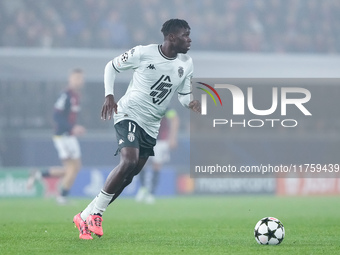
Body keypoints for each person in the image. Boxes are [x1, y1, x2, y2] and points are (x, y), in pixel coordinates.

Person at [73, 18, 200, 240]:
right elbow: (110, 67)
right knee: (129, 162)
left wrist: (191, 103)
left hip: (152, 125)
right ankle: (97, 215)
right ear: (171, 37)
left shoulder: (186, 64)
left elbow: (183, 96)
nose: (189, 39)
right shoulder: (143, 53)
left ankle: (84, 215)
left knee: (129, 175)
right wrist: (109, 95)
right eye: (185, 35)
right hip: (129, 113)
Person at [27, 69, 86, 205]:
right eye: (76, 78)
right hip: (63, 136)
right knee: (73, 168)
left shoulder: (76, 96)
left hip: (68, 135)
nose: (79, 81)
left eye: (81, 78)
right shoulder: (65, 95)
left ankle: (39, 175)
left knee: (71, 169)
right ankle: (62, 197)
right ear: (70, 79)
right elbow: (56, 116)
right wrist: (72, 128)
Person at [135, 108, 179, 204]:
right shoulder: (145, 103)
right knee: (142, 163)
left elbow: (174, 119)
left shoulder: (165, 106)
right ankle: (143, 188)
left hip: (161, 140)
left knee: (157, 165)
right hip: (146, 139)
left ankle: (151, 193)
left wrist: (172, 137)